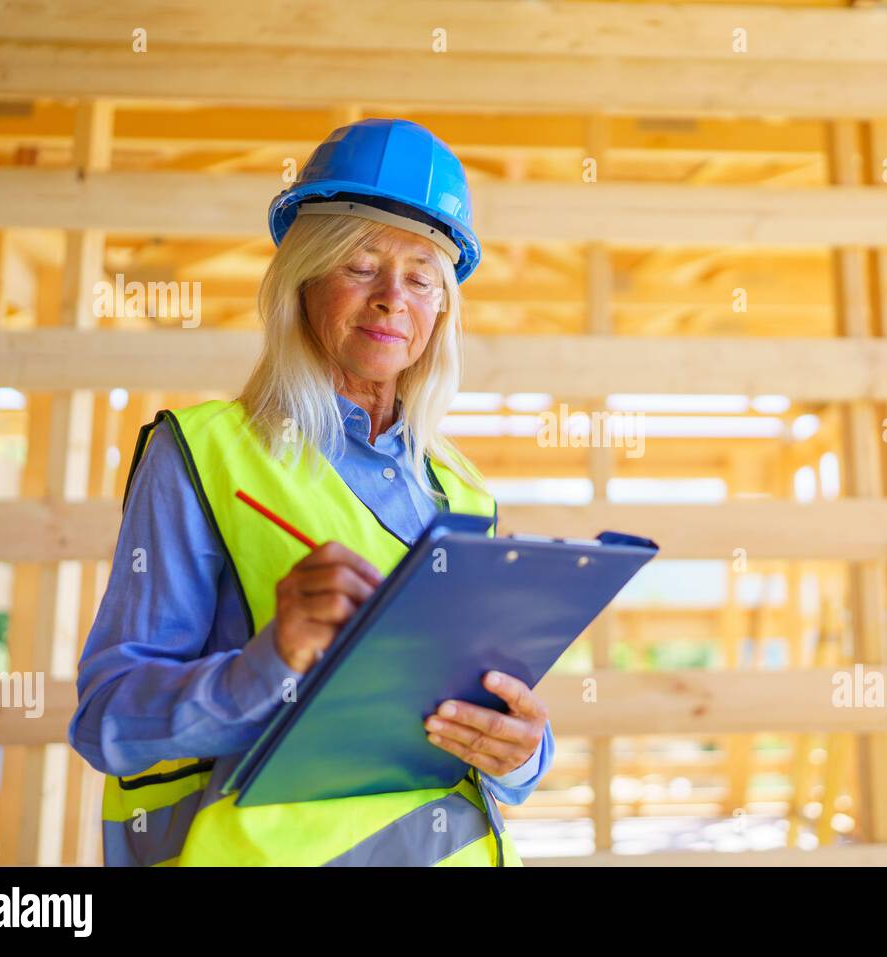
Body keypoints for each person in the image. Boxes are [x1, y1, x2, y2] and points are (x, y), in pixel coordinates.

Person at [69, 118, 553, 866]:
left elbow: (475, 708)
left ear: (442, 309)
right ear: (304, 277)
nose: (394, 297)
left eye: (422, 276)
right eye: (361, 265)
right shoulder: (201, 454)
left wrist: (523, 753)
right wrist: (269, 662)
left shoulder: (464, 493)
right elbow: (107, 720)